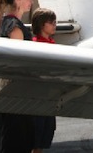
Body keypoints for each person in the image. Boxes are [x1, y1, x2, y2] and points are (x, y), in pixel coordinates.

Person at [0, 0, 35, 153]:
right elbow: (18, 59)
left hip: (11, 91)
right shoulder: (14, 26)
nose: (31, 2)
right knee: (18, 138)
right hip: (17, 90)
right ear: (18, 0)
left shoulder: (6, 22)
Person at [31, 8, 58, 153]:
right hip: (38, 97)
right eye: (51, 22)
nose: (55, 24)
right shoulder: (35, 44)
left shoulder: (51, 43)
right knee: (36, 135)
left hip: (49, 96)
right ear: (42, 24)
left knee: (45, 133)